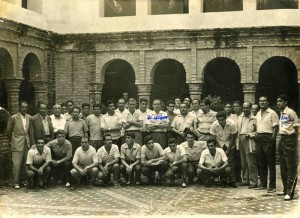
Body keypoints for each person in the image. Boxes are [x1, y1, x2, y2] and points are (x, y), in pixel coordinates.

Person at [277, 94, 299, 200]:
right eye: (277, 101)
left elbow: (296, 129)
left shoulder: (291, 112)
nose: (278, 103)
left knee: (291, 166)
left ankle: (290, 192)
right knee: (283, 166)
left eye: (280, 101)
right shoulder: (281, 113)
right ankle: (285, 189)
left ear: (286, 102)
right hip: (282, 139)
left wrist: (294, 142)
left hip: (290, 139)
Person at [255, 96, 279, 193]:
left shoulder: (272, 113)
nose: (262, 102)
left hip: (268, 137)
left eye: (264, 101)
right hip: (259, 138)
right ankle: (263, 183)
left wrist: (272, 139)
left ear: (268, 102)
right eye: (260, 101)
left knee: (270, 162)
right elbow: (257, 126)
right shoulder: (257, 113)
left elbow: (275, 127)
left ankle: (272, 186)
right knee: (261, 162)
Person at [7, 101, 31, 189]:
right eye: (22, 107)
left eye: (26, 107)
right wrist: (13, 140)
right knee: (16, 164)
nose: (24, 108)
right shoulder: (13, 118)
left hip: (27, 143)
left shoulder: (29, 117)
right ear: (19, 107)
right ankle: (15, 182)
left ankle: (23, 180)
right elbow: (9, 131)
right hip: (17, 143)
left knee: (25, 163)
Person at [210, 111, 238, 188]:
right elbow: (213, 138)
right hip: (219, 144)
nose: (221, 121)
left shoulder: (232, 124)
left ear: (226, 118)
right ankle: (223, 180)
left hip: (229, 144)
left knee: (231, 162)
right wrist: (220, 149)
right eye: (219, 120)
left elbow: (233, 137)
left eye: (222, 119)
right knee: (220, 162)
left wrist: (228, 150)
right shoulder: (214, 125)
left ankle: (233, 181)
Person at [237, 102, 258, 188]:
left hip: (249, 139)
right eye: (244, 108)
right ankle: (245, 180)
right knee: (243, 161)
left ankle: (253, 182)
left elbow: (258, 131)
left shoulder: (255, 118)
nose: (245, 109)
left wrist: (250, 135)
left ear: (250, 108)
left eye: (247, 108)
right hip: (241, 138)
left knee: (251, 161)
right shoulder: (240, 117)